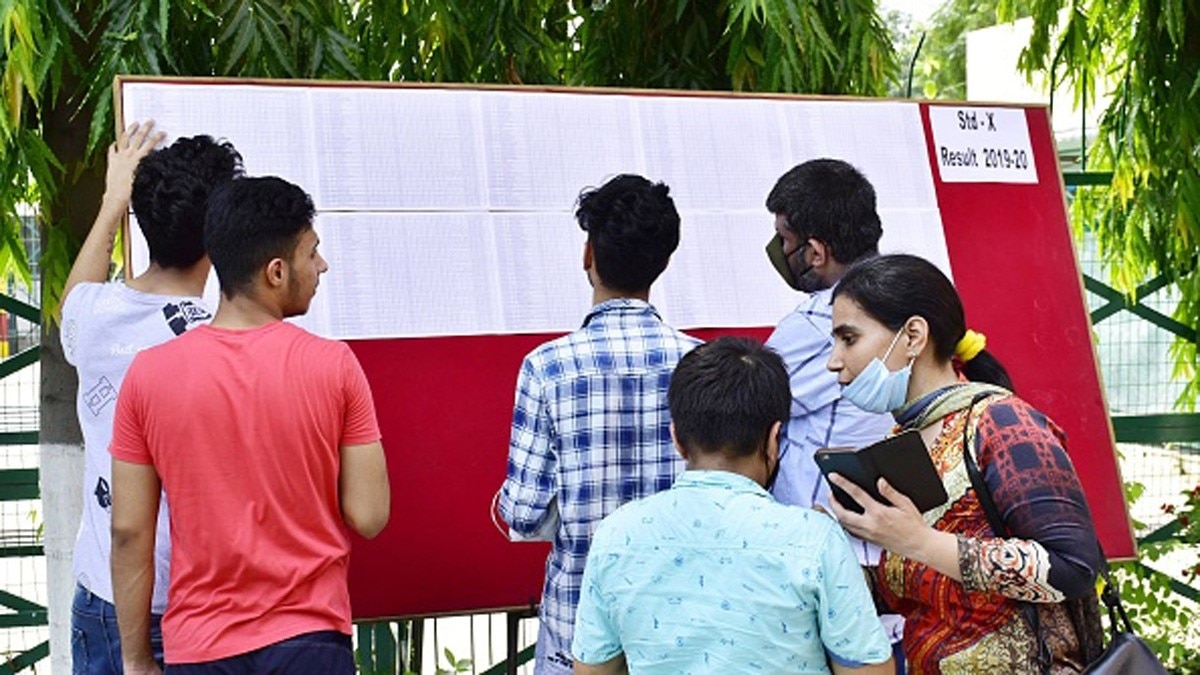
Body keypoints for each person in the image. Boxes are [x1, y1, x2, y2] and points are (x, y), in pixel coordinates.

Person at [109, 176, 390, 674]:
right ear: (276, 272)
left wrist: (135, 659)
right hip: (309, 639)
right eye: (312, 253)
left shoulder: (148, 375)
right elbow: (369, 514)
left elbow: (129, 530)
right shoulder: (334, 366)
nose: (322, 265)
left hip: (200, 645)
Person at [824, 253, 1104, 673]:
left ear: (913, 336)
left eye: (848, 339)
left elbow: (1073, 568)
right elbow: (926, 591)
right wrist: (826, 554)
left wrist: (918, 541)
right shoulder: (900, 441)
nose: (834, 361)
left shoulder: (1001, 422)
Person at [571, 337, 895, 675]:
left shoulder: (616, 533)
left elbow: (592, 670)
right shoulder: (815, 538)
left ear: (677, 438)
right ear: (773, 439)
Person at [497, 174, 701, 674]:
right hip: (681, 627)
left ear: (588, 254)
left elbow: (523, 514)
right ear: (664, 261)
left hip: (579, 628)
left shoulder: (547, 367)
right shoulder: (701, 364)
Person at [60, 120, 243, 674]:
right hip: (202, 601)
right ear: (219, 235)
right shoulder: (224, 339)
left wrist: (113, 201)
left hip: (107, 595)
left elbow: (76, 297)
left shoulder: (92, 318)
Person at [762, 159, 904, 649]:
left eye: (785, 240)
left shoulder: (817, 323)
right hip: (901, 551)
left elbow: (754, 402)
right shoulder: (912, 297)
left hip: (829, 555)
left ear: (817, 251)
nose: (781, 251)